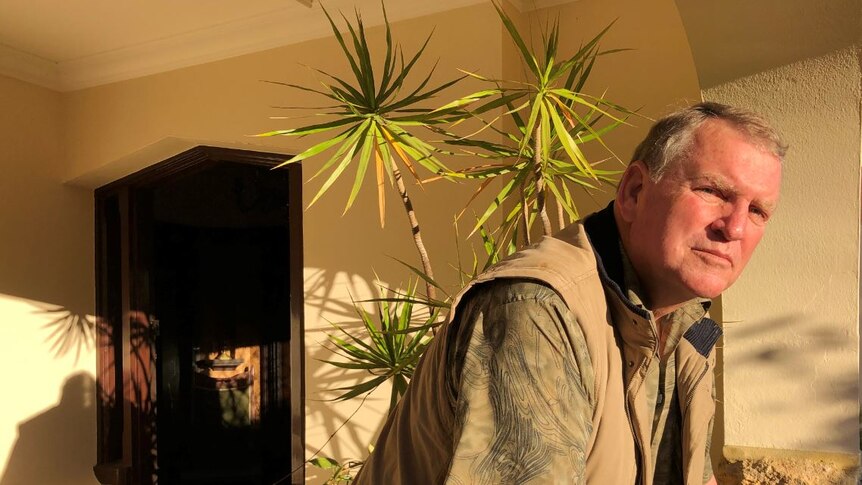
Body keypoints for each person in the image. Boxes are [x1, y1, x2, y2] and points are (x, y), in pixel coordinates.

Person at [354, 102, 785, 485]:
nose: (735, 228)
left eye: (758, 211)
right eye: (712, 191)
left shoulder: (694, 324)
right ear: (634, 192)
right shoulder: (536, 312)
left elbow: (694, 468)